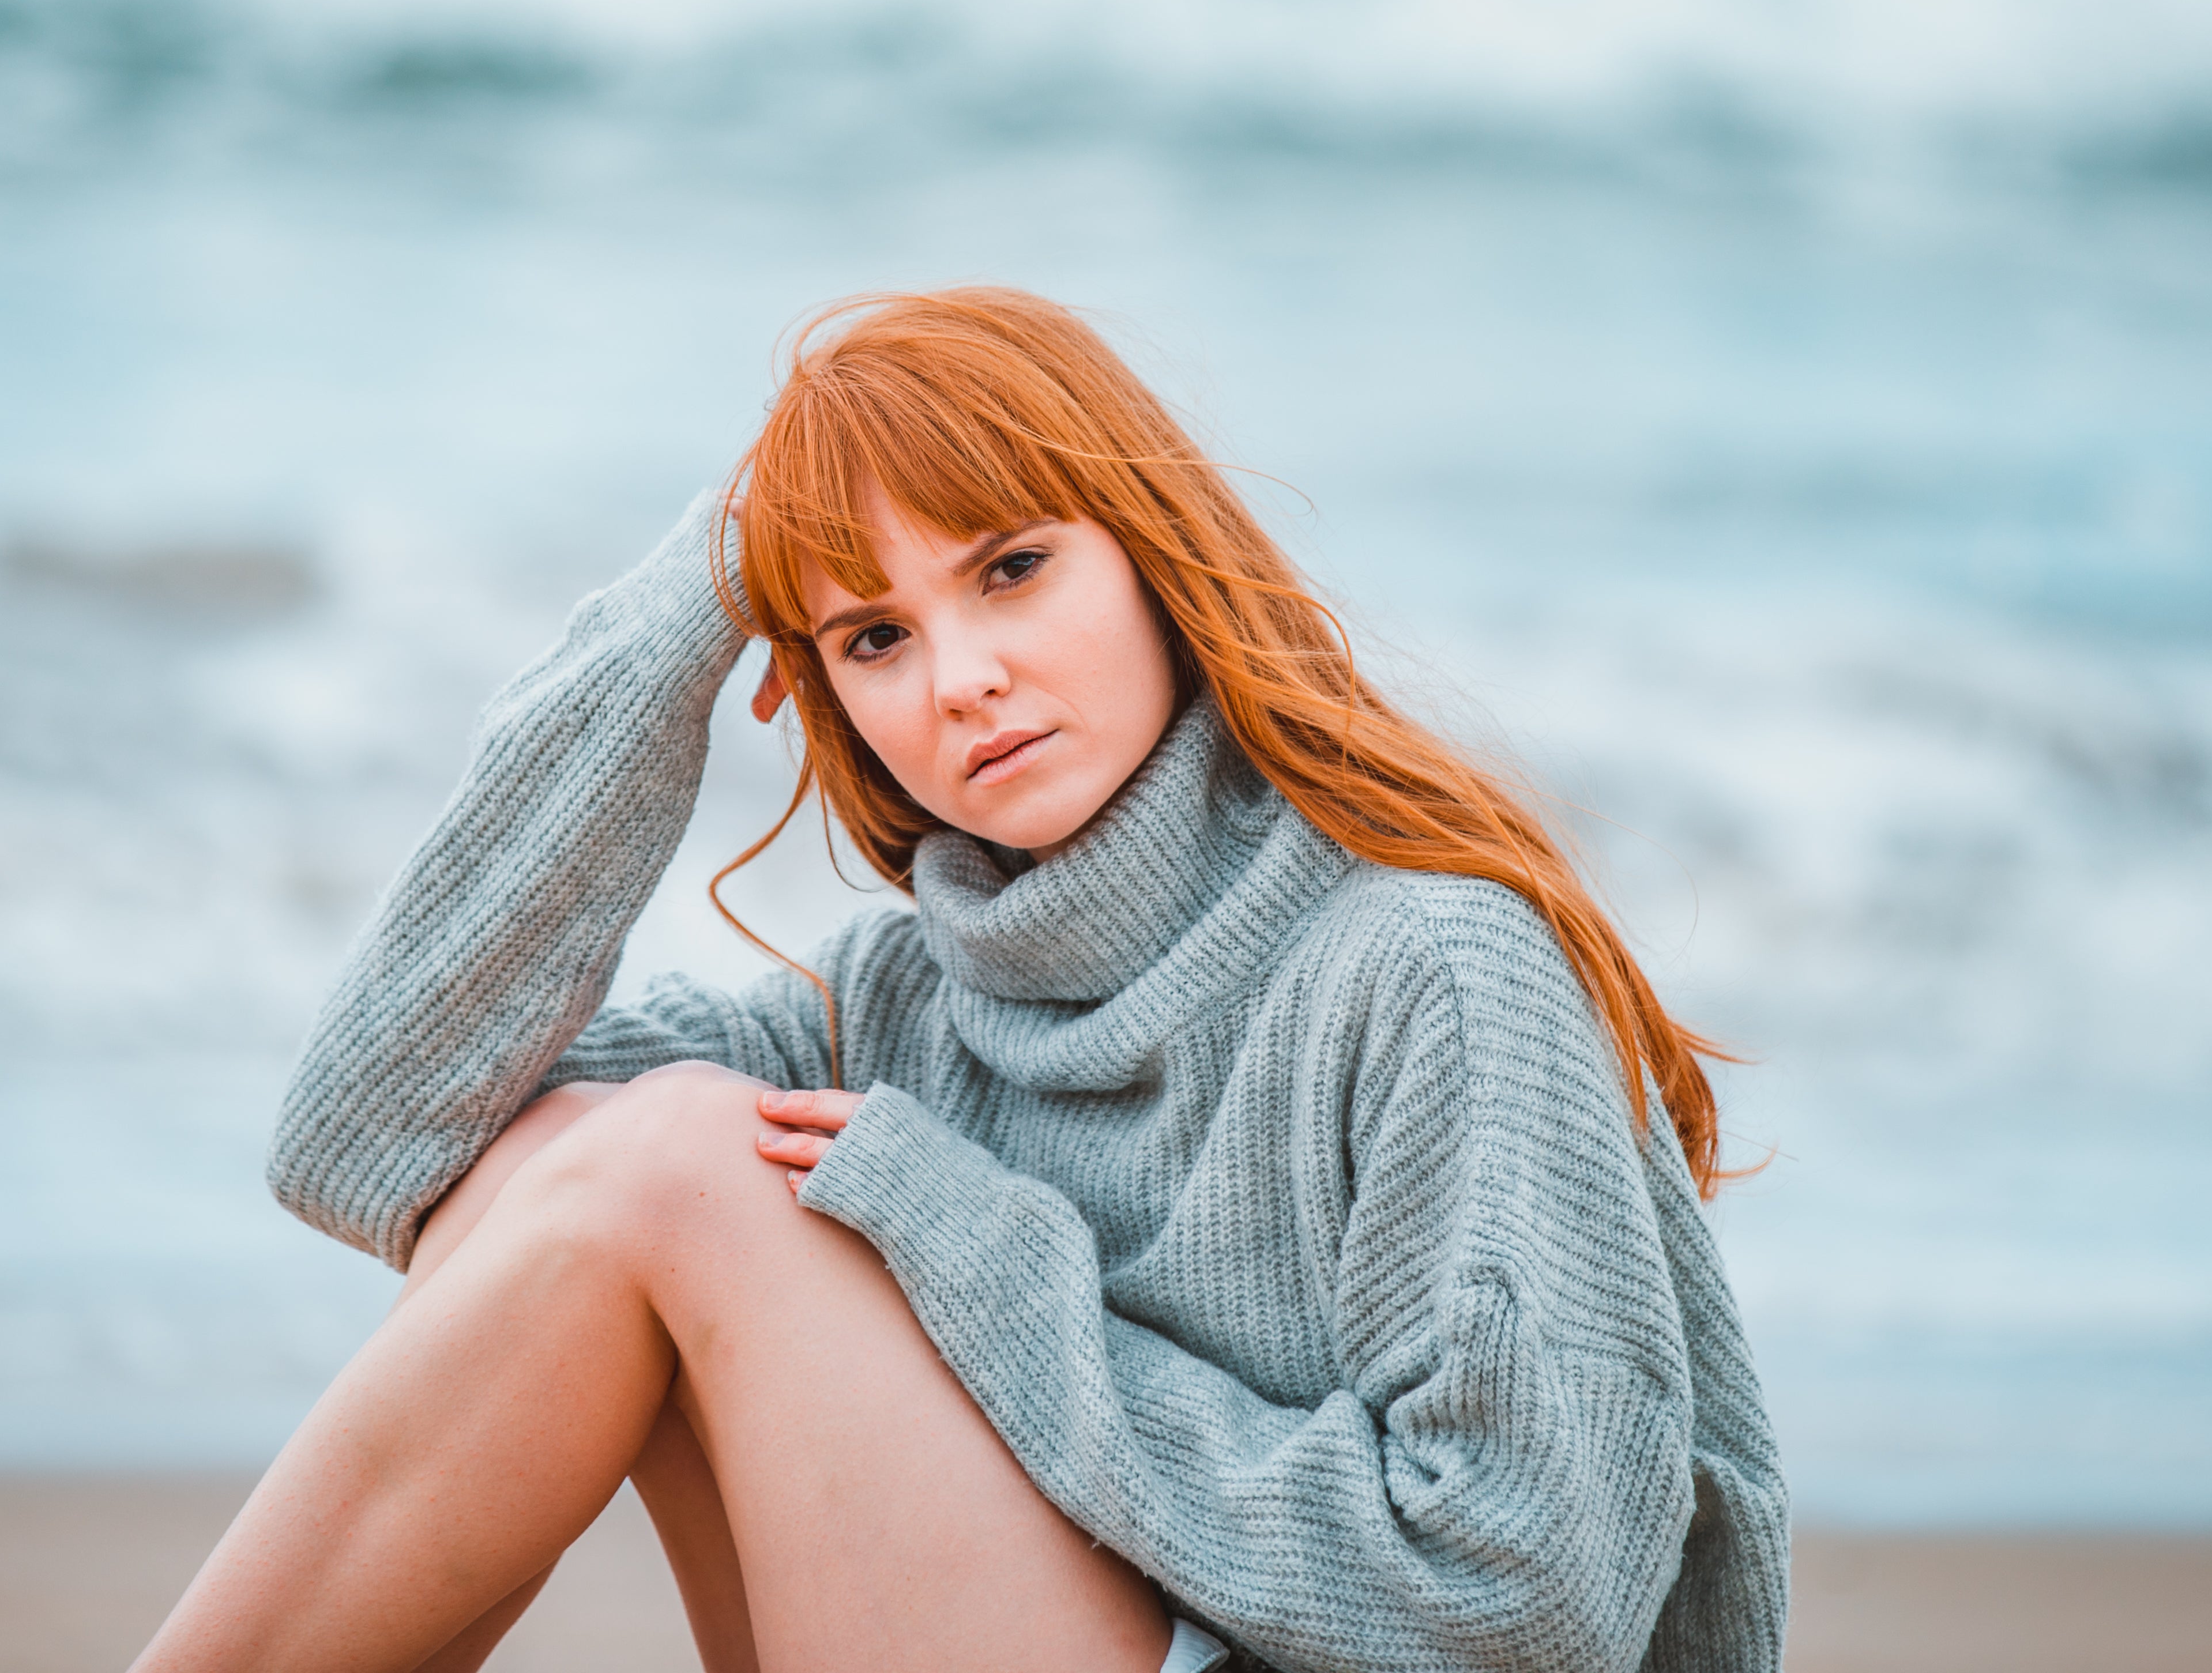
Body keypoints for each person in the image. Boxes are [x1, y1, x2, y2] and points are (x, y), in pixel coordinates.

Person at [130, 288, 1787, 1673]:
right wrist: (678, 625)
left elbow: (1534, 1600)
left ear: (1152, 551)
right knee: (601, 1161)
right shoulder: (902, 1007)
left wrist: (979, 1255)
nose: (965, 683)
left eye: (1010, 569)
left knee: (686, 1162)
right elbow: (374, 1142)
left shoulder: (1430, 959)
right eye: (872, 638)